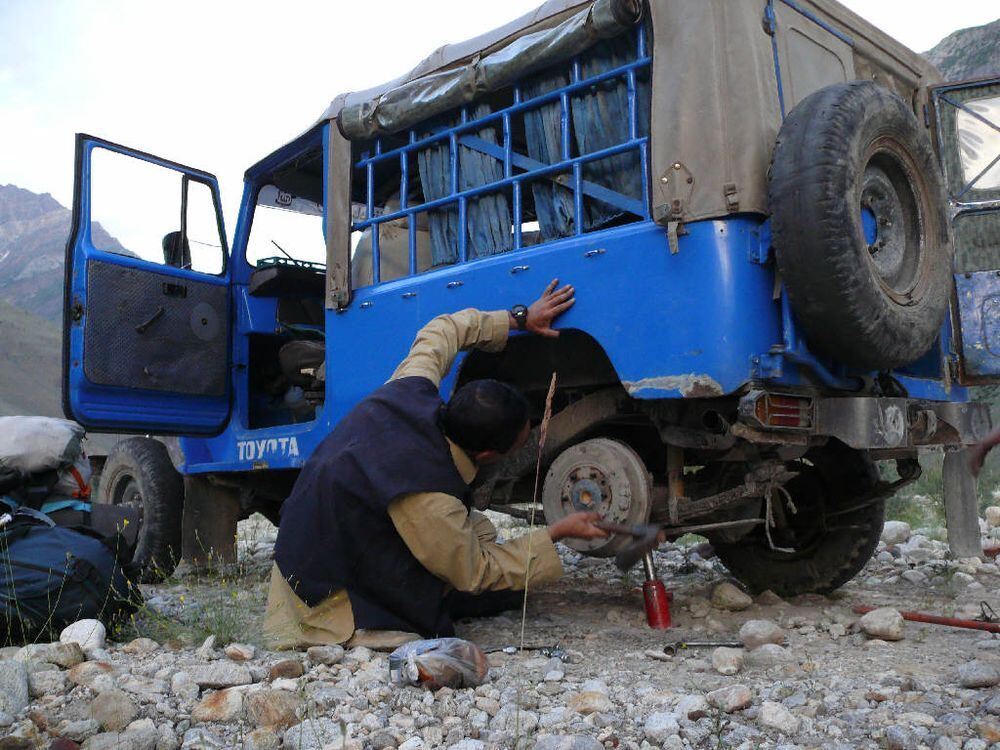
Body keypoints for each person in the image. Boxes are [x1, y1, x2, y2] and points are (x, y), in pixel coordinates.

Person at [264, 280, 607, 649]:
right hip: (321, 597)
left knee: (480, 531)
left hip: (331, 526)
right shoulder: (427, 496)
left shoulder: (413, 384)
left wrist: (520, 319)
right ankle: (358, 627)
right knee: (470, 600)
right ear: (489, 455)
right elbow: (477, 572)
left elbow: (444, 330)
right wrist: (554, 534)